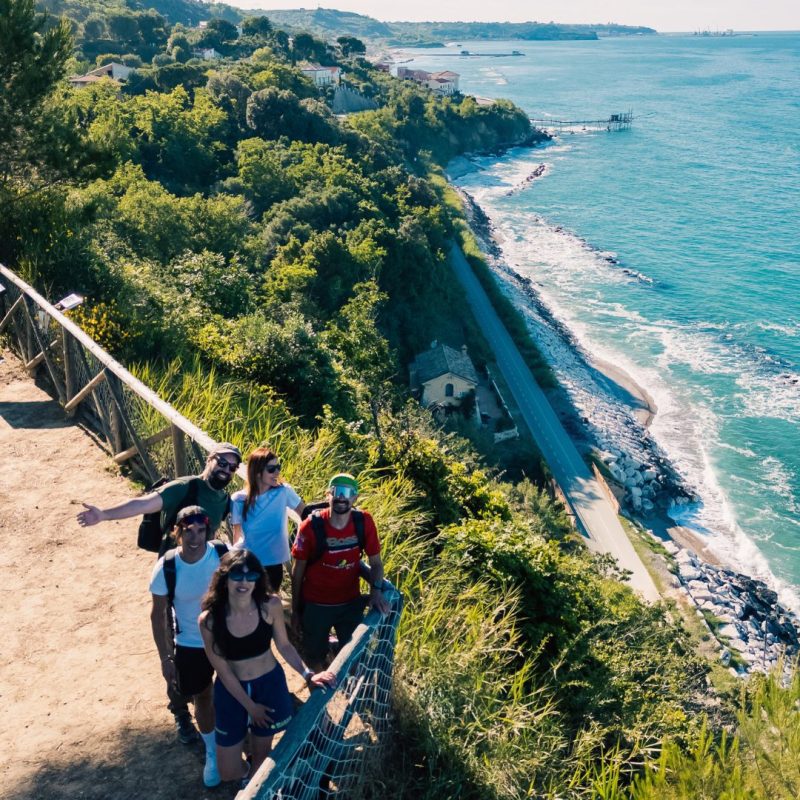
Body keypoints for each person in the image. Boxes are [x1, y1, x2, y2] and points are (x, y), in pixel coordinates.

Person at [199, 550, 336, 785]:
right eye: (237, 575)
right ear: (224, 578)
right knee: (228, 771)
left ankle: (255, 785)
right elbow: (223, 670)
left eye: (251, 576)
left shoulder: (270, 605)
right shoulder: (209, 620)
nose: (244, 582)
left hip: (268, 686)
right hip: (232, 691)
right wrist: (250, 707)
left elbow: (284, 645)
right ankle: (251, 775)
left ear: (258, 579)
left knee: (261, 757)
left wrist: (307, 674)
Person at [150, 506, 228, 786]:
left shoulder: (222, 555)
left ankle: (238, 749)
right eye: (188, 531)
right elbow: (158, 615)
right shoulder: (167, 567)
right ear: (178, 532)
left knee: (234, 694)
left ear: (208, 531)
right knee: (203, 697)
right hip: (190, 644)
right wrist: (166, 658)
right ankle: (212, 753)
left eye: (201, 531)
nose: (195, 538)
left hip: (226, 640)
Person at [291, 473, 389, 671]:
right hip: (316, 604)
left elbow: (376, 563)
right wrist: (296, 608)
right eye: (337, 491)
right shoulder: (311, 526)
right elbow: (298, 568)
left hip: (349, 604)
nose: (342, 497)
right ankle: (319, 686)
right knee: (314, 655)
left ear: (355, 497)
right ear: (328, 494)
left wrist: (376, 592)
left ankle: (348, 684)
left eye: (348, 493)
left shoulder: (364, 522)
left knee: (355, 654)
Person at [77, 442, 242, 540]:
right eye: (222, 463)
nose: (226, 470)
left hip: (203, 567)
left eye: (232, 467)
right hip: (175, 564)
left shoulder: (224, 500)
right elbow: (142, 504)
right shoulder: (184, 487)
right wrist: (104, 514)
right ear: (209, 460)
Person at [230, 448, 305, 592]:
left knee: (269, 602)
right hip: (248, 563)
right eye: (271, 469)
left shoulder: (283, 492)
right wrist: (235, 561)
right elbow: (237, 535)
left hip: (274, 564)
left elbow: (305, 514)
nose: (277, 473)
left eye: (278, 467)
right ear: (257, 472)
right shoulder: (239, 499)